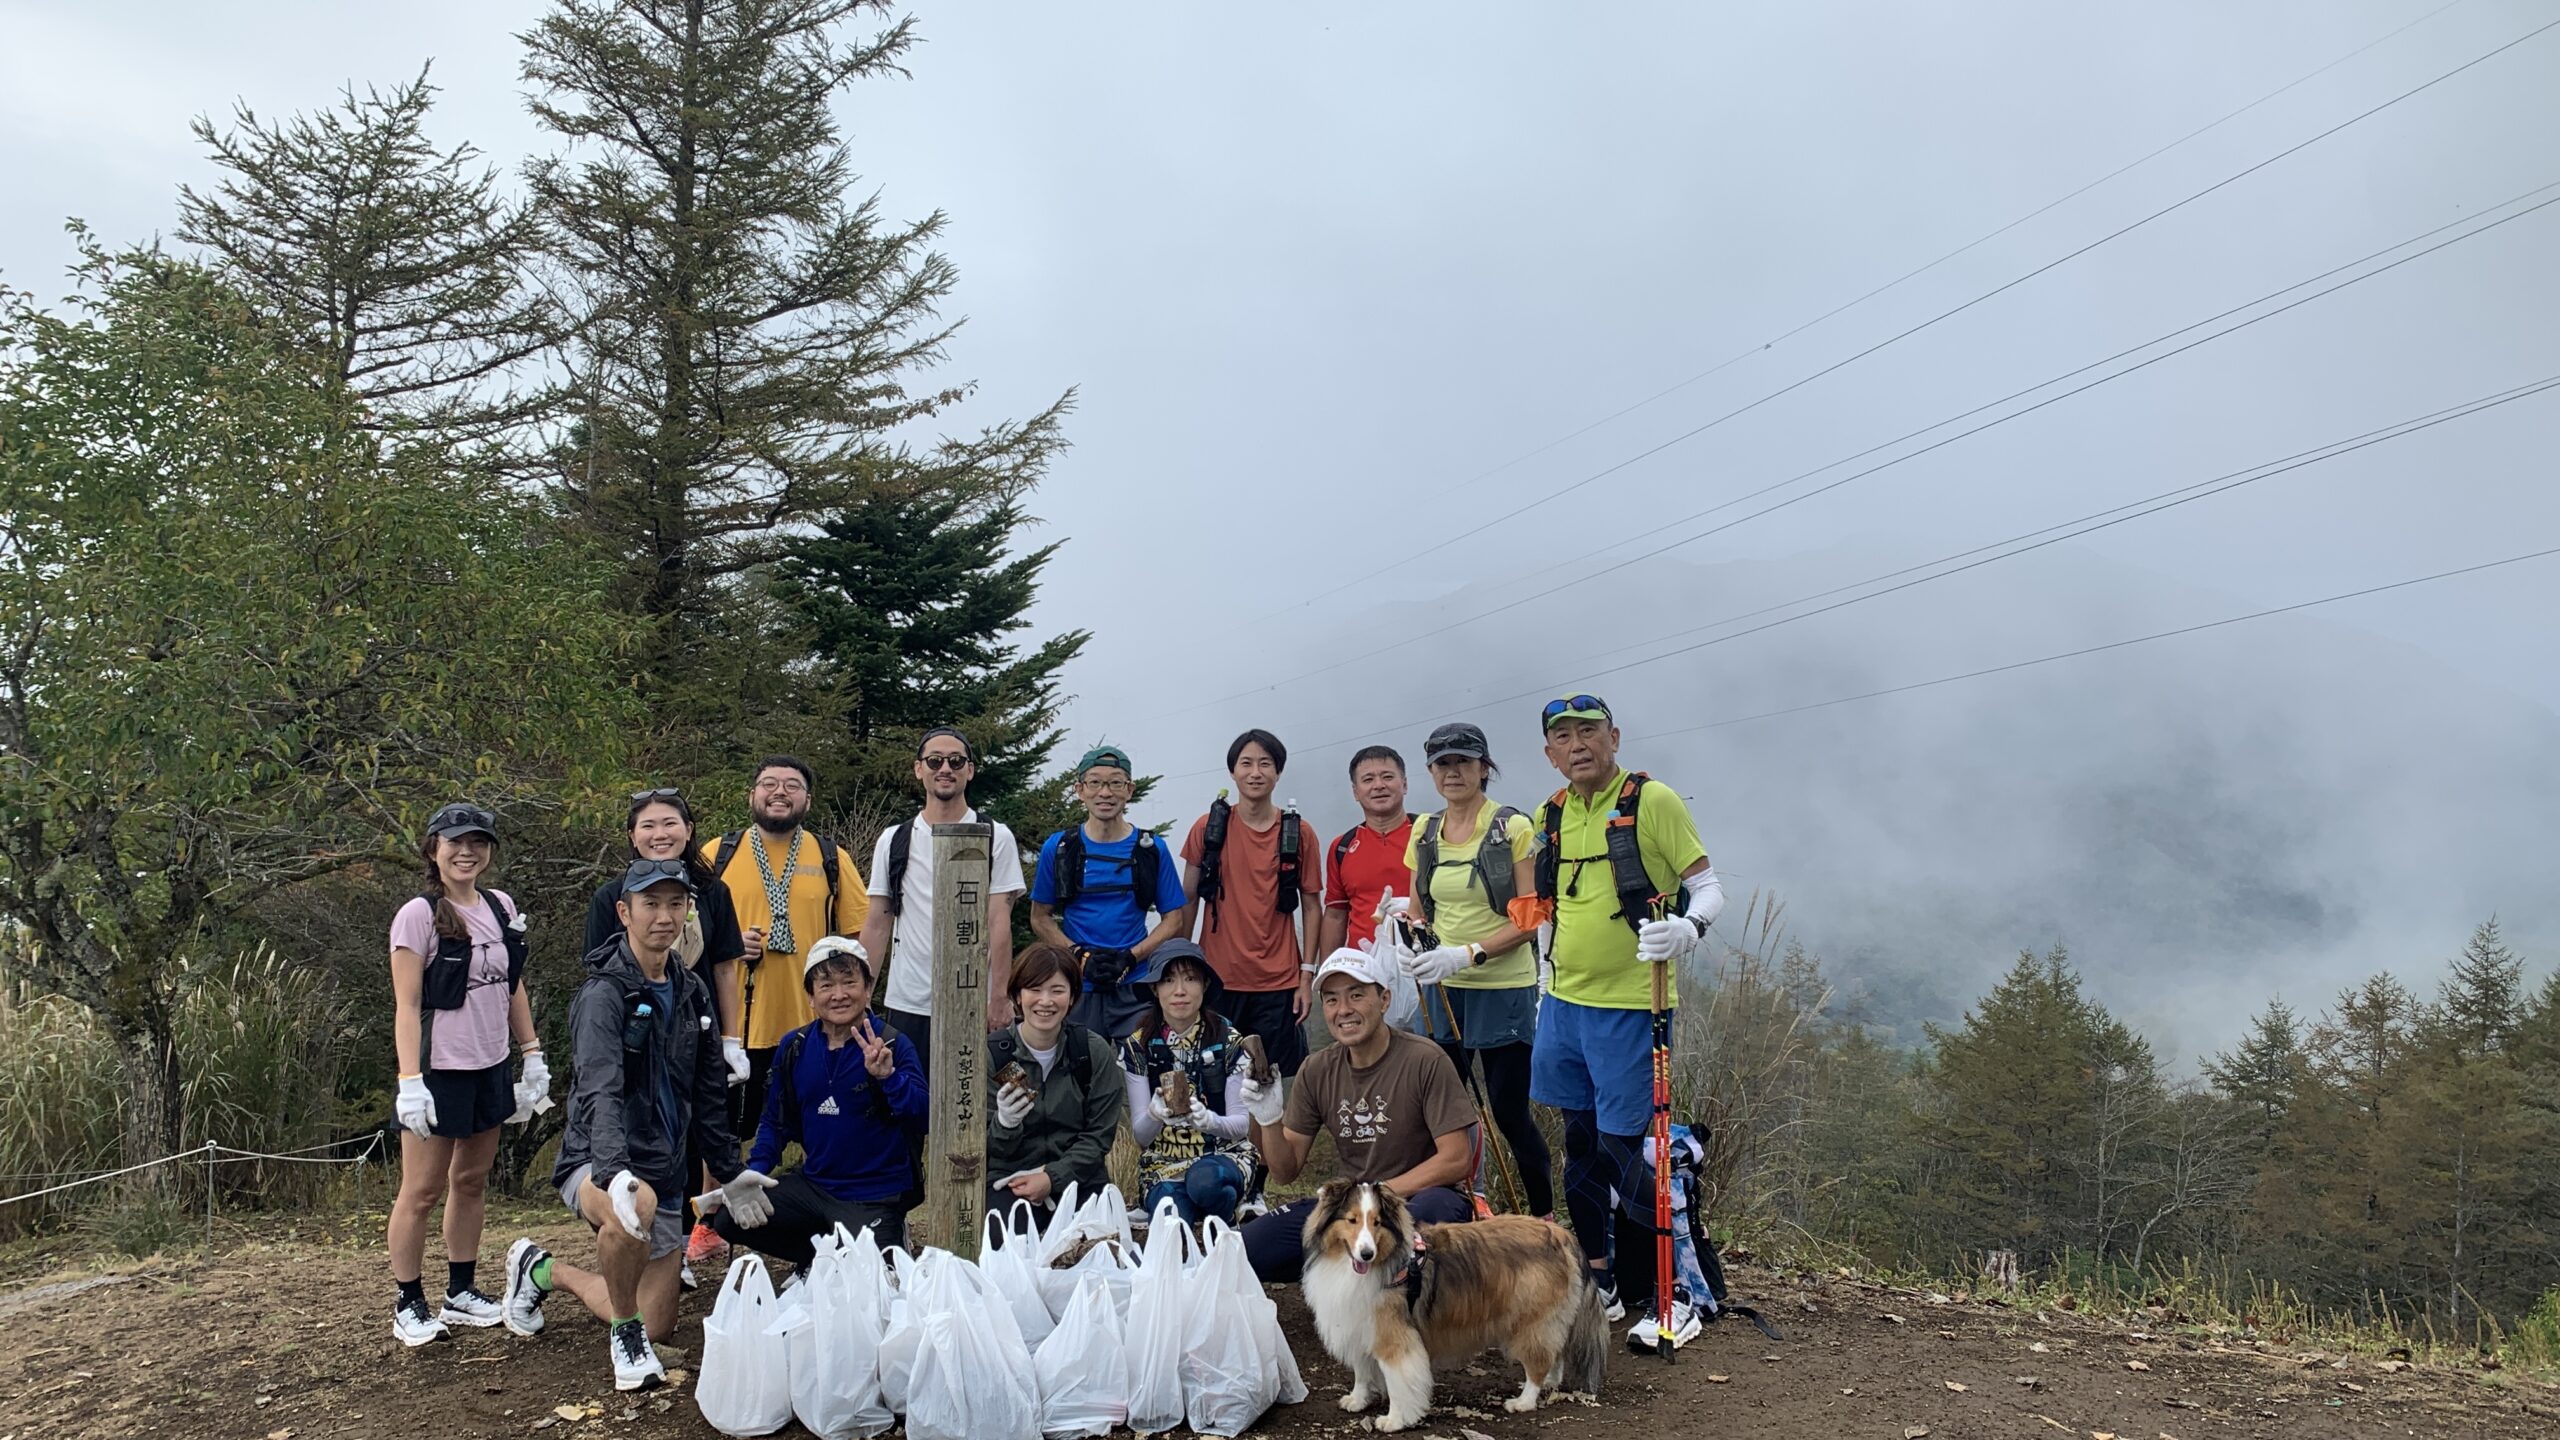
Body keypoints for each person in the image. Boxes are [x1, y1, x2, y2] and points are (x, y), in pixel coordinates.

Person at [499, 859, 760, 1392]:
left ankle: (540, 1270)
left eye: (675, 904)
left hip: (664, 1167)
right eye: (650, 904)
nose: (663, 916)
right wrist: (615, 1173)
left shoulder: (691, 990)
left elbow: (709, 1093)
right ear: (625, 912)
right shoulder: (602, 995)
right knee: (632, 1210)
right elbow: (601, 1089)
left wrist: (730, 1172)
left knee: (658, 1319)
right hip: (597, 1161)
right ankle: (625, 1338)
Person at [1521, 693, 1724, 1354]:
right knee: (1578, 1143)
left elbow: (1709, 883)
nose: (1577, 745)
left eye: (1588, 732)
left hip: (1633, 1003)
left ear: (1613, 737)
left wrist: (1687, 929)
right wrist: (1546, 980)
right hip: (1566, 1004)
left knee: (1624, 1146)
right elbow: (1546, 903)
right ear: (1550, 752)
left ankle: (1683, 1293)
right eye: (1563, 737)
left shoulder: (1652, 800)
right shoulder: (1550, 812)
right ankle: (1601, 1283)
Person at [386, 802, 546, 1346]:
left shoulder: (501, 907)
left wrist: (532, 1053)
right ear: (433, 848)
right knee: (422, 1190)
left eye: (477, 842)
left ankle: (461, 1290)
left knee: (471, 1181)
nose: (466, 851)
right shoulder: (418, 914)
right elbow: (406, 1005)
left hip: (490, 1064)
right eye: (454, 841)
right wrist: (411, 1081)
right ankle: (408, 1301)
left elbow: (511, 984)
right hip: (439, 1069)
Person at [580, 787, 750, 1273]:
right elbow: (596, 974)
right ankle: (630, 1239)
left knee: (695, 1127)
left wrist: (731, 1041)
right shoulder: (610, 896)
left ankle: (678, 1245)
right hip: (632, 1033)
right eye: (648, 826)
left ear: (689, 831)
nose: (660, 834)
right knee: (631, 1123)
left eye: (670, 823)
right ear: (632, 836)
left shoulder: (713, 891)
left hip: (694, 1024)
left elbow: (723, 968)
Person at [1237, 948, 1477, 1283]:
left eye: (1356, 995)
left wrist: (1377, 1193)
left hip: (1419, 1197)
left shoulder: (1425, 1059)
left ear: (1384, 999)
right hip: (1350, 1208)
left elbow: (1456, 1160)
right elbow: (1284, 1169)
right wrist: (1267, 1118)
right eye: (1332, 1000)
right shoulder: (1317, 1069)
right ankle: (1349, 1278)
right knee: (1250, 1249)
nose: (1343, 1010)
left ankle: (1403, 1296)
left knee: (1432, 1223)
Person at [1395, 721, 1554, 1220]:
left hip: (1502, 986)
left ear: (1484, 768)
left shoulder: (1512, 828)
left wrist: (1467, 954)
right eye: (1443, 764)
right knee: (1440, 1115)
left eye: (1464, 762)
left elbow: (1531, 917)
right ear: (1431, 772)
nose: (1453, 772)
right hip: (1442, 990)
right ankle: (1457, 1210)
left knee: (1507, 1113)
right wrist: (1411, 938)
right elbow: (1420, 902)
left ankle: (1542, 1219)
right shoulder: (1423, 831)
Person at [707, 935, 926, 1259]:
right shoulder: (795, 1046)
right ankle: (818, 1259)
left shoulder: (892, 1044)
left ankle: (865, 1247)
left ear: (867, 989)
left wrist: (888, 1078)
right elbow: (775, 1122)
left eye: (849, 982)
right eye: (825, 986)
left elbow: (924, 1116)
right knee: (730, 1218)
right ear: (810, 996)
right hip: (814, 1186)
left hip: (875, 1194)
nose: (839, 995)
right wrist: (754, 1173)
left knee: (876, 1282)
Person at [701, 756, 871, 1152]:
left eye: (792, 786)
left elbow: (859, 937)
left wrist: (858, 1002)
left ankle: (809, 1206)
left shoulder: (830, 856)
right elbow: (685, 931)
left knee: (816, 1129)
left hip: (810, 1023)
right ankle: (717, 1210)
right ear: (752, 795)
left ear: (807, 801)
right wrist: (725, 942)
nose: (780, 792)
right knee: (723, 1132)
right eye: (769, 784)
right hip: (733, 1023)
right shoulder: (718, 853)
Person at [858, 727, 1024, 1078]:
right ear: (919, 769)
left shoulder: (995, 834)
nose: (945, 768)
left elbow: (999, 920)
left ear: (970, 770)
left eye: (955, 760)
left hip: (972, 1001)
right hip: (908, 1000)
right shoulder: (894, 840)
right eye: (935, 760)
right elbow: (877, 921)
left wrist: (999, 996)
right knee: (904, 1109)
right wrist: (862, 995)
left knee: (971, 1112)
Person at [1028, 744, 1189, 1040]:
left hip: (1135, 985)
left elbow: (1174, 919)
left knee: (1139, 1077)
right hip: (1076, 986)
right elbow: (1040, 917)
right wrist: (1078, 955)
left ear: (1129, 790)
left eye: (1115, 783)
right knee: (1079, 1075)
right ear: (1080, 790)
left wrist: (1131, 957)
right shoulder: (1060, 848)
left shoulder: (1151, 850)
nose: (1105, 793)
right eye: (1095, 782)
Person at [984, 944, 1126, 1224]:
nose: (1045, 1001)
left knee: (1096, 1250)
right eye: (1034, 989)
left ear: (1072, 997)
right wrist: (1006, 1124)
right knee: (1010, 1247)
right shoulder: (994, 1055)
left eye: (1057, 990)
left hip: (1081, 1177)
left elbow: (1099, 1136)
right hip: (1010, 1179)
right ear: (1016, 996)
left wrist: (1052, 1177)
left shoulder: (1091, 1051)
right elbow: (982, 1146)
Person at [1117, 940, 1254, 1228]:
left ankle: (1223, 1210)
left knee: (1205, 1183)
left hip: (1222, 1155)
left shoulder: (1228, 1040)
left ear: (1204, 985)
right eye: (1168, 981)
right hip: (1163, 1164)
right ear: (1155, 989)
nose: (1179, 991)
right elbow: (1141, 1136)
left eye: (1190, 979)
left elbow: (1241, 1125)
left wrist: (1209, 1121)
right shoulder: (1138, 1045)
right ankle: (1202, 1210)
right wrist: (1154, 1115)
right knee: (1171, 1218)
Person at [1317, 744, 1414, 958]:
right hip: (1364, 970)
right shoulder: (1342, 846)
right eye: (1368, 779)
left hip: (1425, 966)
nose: (1378, 786)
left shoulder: (1428, 836)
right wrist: (1327, 972)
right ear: (1355, 792)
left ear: (1404, 784)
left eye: (1387, 777)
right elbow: (1335, 915)